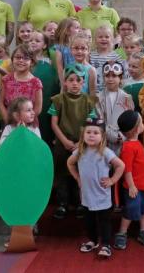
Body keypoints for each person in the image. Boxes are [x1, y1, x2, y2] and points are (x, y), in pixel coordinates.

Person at [67, 120, 125, 259]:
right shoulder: (80, 151)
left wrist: (112, 180)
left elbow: (120, 166)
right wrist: (77, 177)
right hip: (86, 195)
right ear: (83, 135)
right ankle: (92, 241)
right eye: (88, 132)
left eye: (95, 133)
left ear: (102, 136)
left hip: (102, 195)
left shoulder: (105, 152)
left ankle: (105, 244)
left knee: (104, 221)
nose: (91, 135)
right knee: (89, 221)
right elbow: (70, 163)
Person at [50, 64, 99, 219]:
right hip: (62, 143)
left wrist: (81, 142)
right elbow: (54, 123)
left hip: (82, 143)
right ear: (65, 82)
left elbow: (91, 124)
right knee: (61, 173)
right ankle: (62, 203)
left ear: (83, 82)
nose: (74, 83)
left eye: (78, 80)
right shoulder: (58, 100)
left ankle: (80, 203)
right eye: (71, 80)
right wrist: (64, 141)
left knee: (81, 172)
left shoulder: (89, 101)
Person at [114, 110, 144, 249]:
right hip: (134, 188)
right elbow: (127, 169)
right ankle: (122, 232)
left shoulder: (137, 143)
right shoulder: (128, 147)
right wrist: (131, 186)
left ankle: (143, 231)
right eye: (141, 122)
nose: (143, 124)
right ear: (136, 129)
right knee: (131, 210)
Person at [28, 30, 59, 146]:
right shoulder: (23, 62)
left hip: (45, 105)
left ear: (45, 45)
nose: (33, 42)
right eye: (30, 40)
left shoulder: (49, 64)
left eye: (37, 41)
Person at [97, 61, 134, 155]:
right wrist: (112, 136)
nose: (110, 79)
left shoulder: (127, 98)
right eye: (107, 76)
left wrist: (124, 136)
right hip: (104, 141)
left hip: (123, 140)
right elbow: (98, 120)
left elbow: (130, 120)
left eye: (114, 76)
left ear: (120, 78)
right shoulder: (98, 98)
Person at [91, 25, 124, 93]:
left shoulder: (116, 57)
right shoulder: (91, 55)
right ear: (95, 39)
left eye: (107, 37)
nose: (103, 39)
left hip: (111, 92)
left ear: (112, 39)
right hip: (95, 92)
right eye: (100, 37)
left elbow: (121, 74)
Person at [53, 17, 83, 86]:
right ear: (67, 31)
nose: (80, 30)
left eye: (79, 28)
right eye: (77, 28)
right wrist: (63, 83)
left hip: (81, 78)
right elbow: (60, 68)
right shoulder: (60, 47)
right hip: (67, 79)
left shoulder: (80, 46)